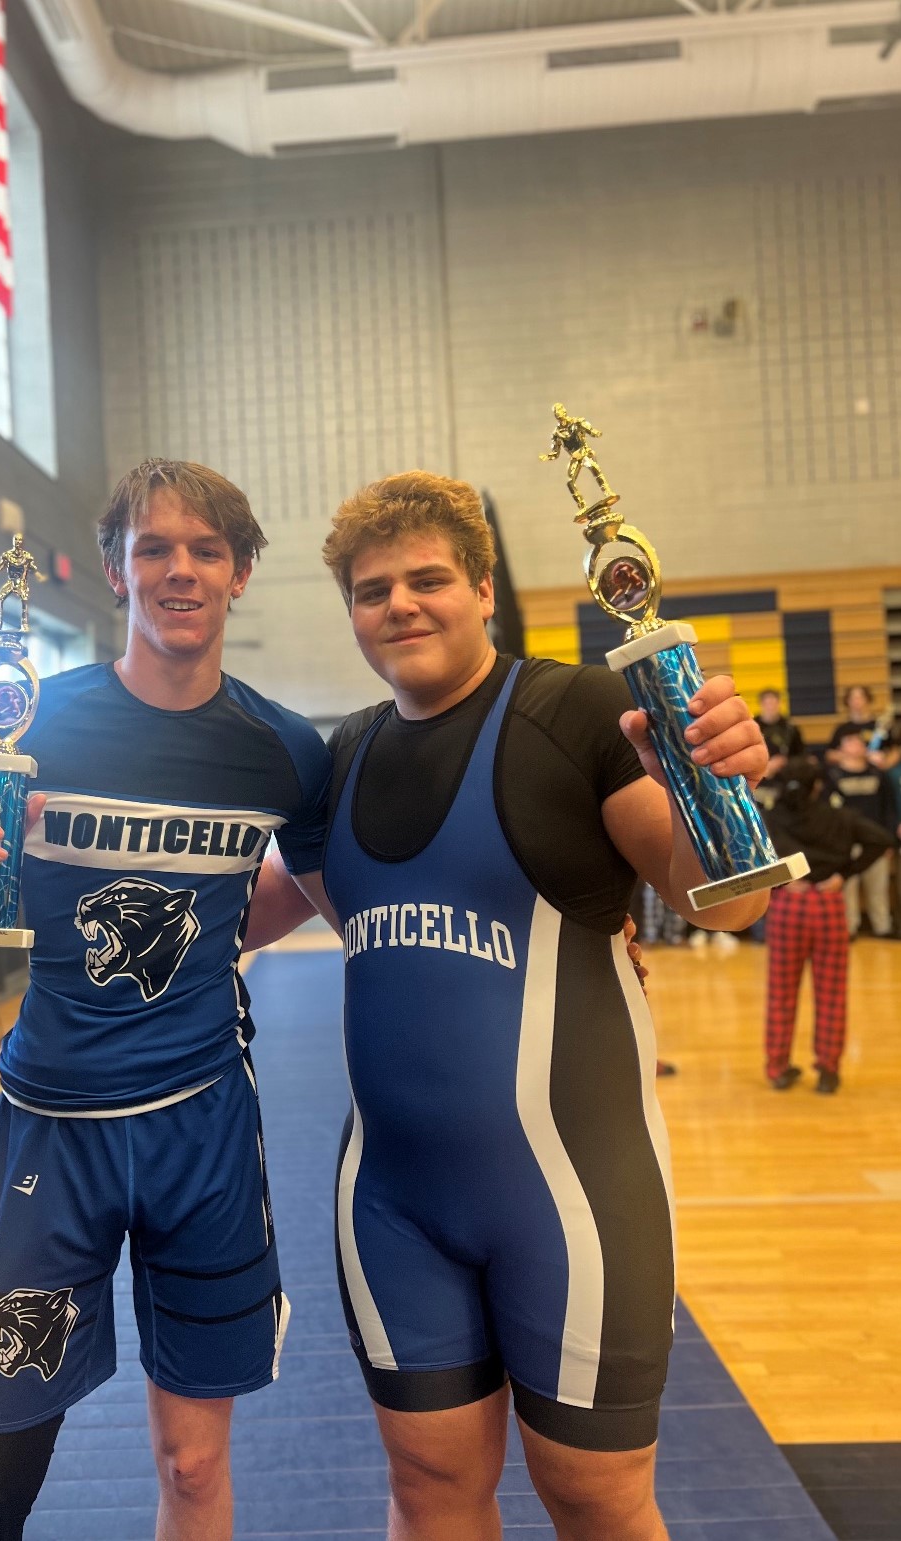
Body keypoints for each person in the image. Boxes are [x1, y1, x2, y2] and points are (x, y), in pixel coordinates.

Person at [246, 470, 769, 1541]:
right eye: (371, 588)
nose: (400, 603)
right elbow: (220, 920)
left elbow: (715, 900)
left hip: (572, 1193)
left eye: (427, 577)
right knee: (430, 1486)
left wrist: (722, 788)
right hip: (389, 1201)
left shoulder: (569, 710)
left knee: (594, 1493)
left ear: (483, 588)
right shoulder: (333, 761)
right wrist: (25, 873)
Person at [0, 460, 332, 1541]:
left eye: (203, 549)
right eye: (153, 547)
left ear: (239, 573)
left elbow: (328, 887)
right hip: (52, 1132)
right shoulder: (26, 725)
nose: (178, 569)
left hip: (202, 1131)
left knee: (193, 1464)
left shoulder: (282, 750)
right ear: (115, 571)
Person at [763, 757, 893, 1093]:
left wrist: (781, 880)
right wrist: (844, 873)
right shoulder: (839, 817)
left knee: (781, 993)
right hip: (828, 905)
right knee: (831, 994)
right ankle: (828, 1070)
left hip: (788, 905)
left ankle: (777, 1067)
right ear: (818, 786)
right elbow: (881, 839)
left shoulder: (771, 818)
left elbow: (749, 856)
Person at [825, 731, 898, 938]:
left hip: (875, 842)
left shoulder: (878, 774)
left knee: (878, 886)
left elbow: (889, 809)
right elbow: (828, 812)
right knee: (846, 887)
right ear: (841, 749)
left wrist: (889, 840)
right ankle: (849, 928)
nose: (856, 745)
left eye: (858, 741)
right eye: (850, 741)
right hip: (845, 843)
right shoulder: (832, 775)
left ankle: (882, 927)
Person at [824, 685, 900, 772]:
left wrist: (886, 764)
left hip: (878, 773)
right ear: (847, 702)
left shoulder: (881, 727)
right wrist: (856, 756)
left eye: (860, 697)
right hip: (849, 774)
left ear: (868, 699)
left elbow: (895, 751)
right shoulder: (842, 729)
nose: (857, 701)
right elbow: (829, 754)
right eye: (853, 698)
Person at [753, 687, 805, 809]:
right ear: (761, 704)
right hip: (758, 780)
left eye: (773, 702)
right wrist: (765, 766)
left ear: (779, 703)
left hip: (784, 779)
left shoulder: (790, 728)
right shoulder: (752, 727)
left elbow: (800, 756)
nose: (771, 707)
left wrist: (784, 762)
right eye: (767, 703)